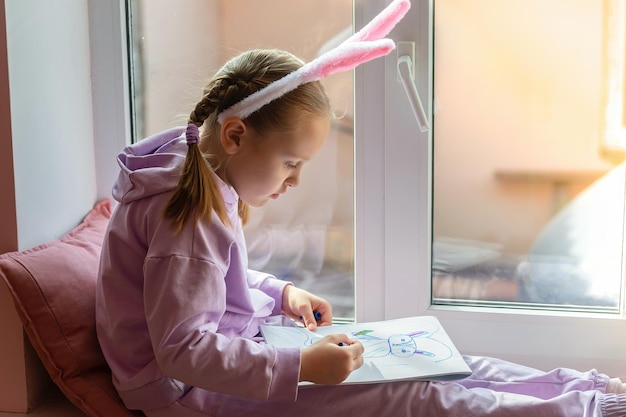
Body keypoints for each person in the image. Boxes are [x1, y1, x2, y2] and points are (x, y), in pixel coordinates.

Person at [95, 3, 626, 417]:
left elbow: (203, 286)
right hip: (188, 394)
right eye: (290, 162)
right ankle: (588, 407)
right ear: (235, 135)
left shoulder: (193, 173)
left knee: (436, 366)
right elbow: (183, 349)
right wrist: (301, 364)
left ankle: (591, 394)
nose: (295, 179)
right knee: (413, 399)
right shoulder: (188, 214)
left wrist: (280, 292)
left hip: (239, 352)